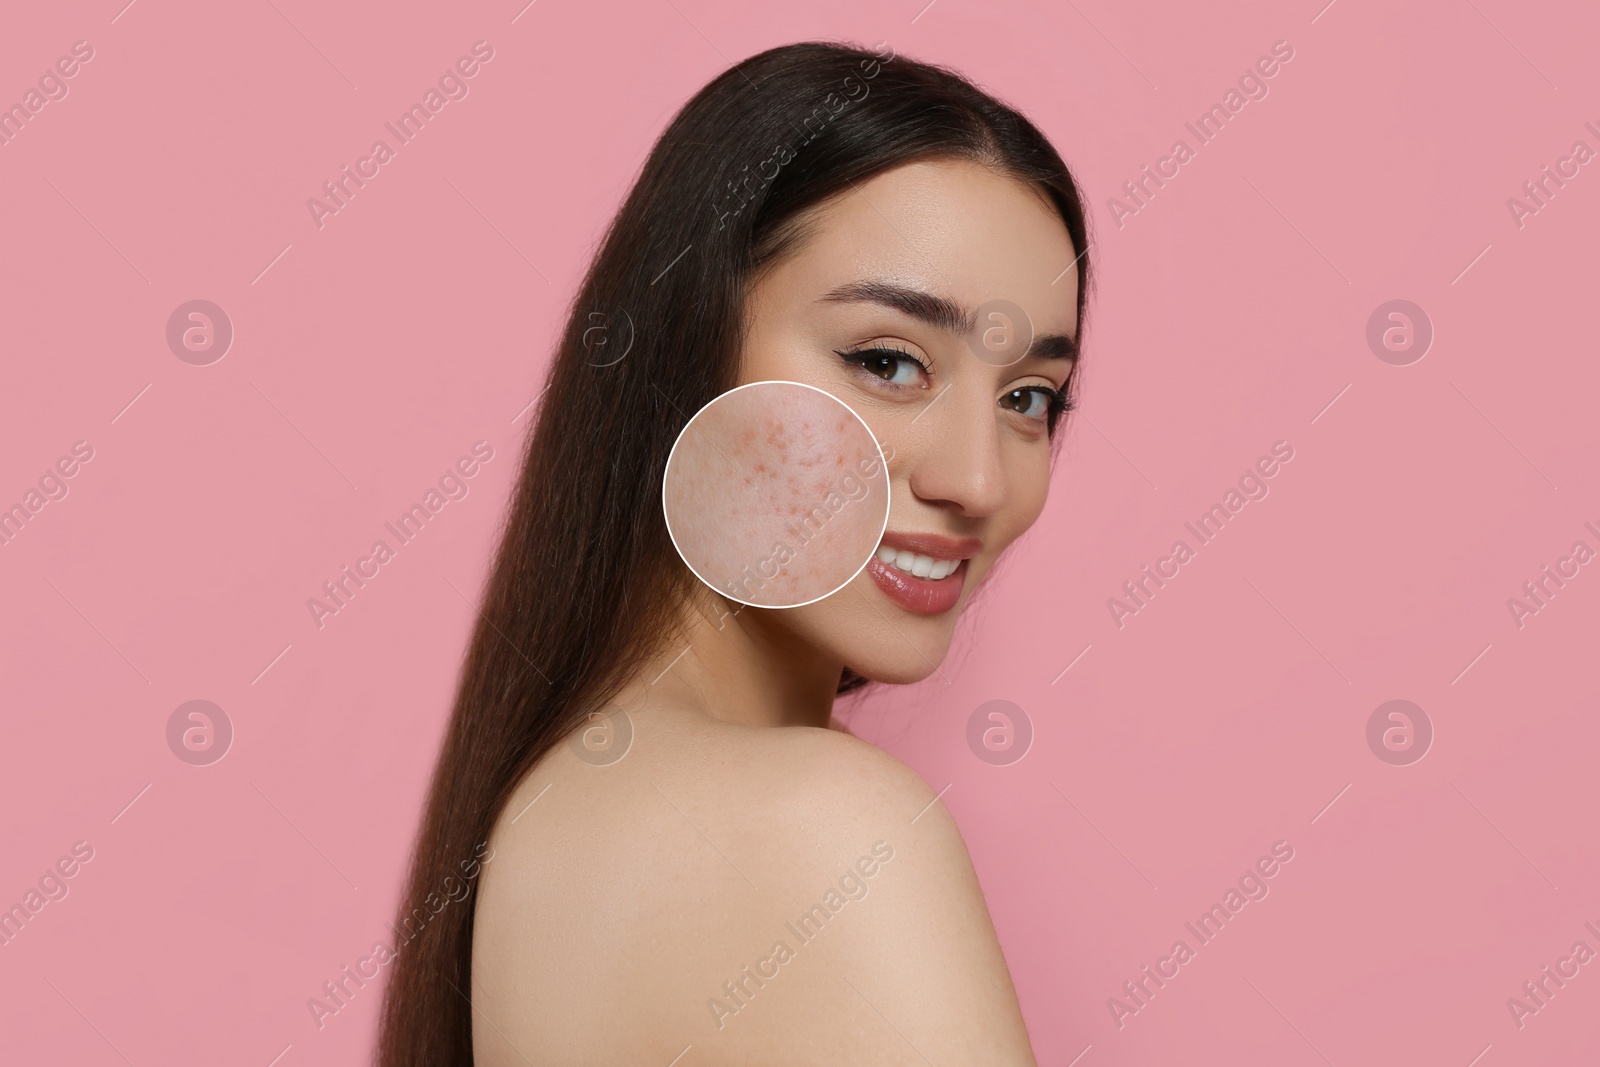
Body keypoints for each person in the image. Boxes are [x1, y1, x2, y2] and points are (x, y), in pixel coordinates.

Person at [379, 39, 1092, 1066]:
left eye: (1029, 397)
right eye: (887, 361)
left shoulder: (549, 810)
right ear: (687, 351)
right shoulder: (823, 827)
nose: (977, 479)